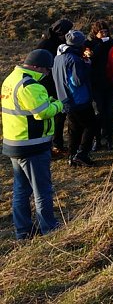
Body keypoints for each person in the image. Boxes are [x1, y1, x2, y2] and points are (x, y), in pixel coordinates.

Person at [2, 49, 64, 240]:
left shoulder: (11, 79)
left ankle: (23, 231)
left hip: (15, 143)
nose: (47, 74)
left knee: (21, 190)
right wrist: (59, 105)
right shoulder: (30, 85)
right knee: (42, 190)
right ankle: (49, 228)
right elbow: (43, 112)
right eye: (46, 70)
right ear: (37, 67)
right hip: (33, 146)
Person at [53, 30, 97, 167]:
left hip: (64, 98)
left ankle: (72, 155)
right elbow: (78, 81)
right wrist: (88, 65)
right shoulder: (75, 60)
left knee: (74, 127)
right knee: (91, 125)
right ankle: (82, 154)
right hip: (78, 99)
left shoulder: (58, 57)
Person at [37, 18, 73, 156]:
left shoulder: (57, 41)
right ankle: (54, 145)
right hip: (48, 83)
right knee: (56, 114)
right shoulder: (46, 44)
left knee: (59, 114)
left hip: (55, 81)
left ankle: (56, 143)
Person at [84, 20, 113, 151]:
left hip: (109, 81)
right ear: (95, 32)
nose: (104, 34)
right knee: (98, 112)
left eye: (105, 31)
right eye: (101, 32)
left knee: (108, 112)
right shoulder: (89, 44)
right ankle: (97, 138)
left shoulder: (111, 42)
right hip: (96, 83)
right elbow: (91, 56)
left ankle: (109, 137)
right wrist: (101, 45)